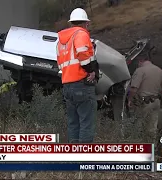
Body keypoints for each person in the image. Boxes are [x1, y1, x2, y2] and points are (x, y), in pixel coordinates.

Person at [56, 8, 99, 143]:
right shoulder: (81, 34)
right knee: (86, 125)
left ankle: (73, 159)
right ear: (86, 23)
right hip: (82, 85)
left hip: (67, 86)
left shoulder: (61, 42)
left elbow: (60, 64)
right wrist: (91, 71)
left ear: (71, 23)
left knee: (73, 125)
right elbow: (82, 54)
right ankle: (83, 160)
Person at [127, 51, 162, 142]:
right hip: (156, 102)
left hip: (144, 102)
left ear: (140, 61)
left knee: (138, 125)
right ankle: (151, 147)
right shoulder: (159, 70)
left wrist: (130, 100)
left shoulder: (140, 70)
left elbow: (134, 88)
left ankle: (138, 146)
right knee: (152, 127)